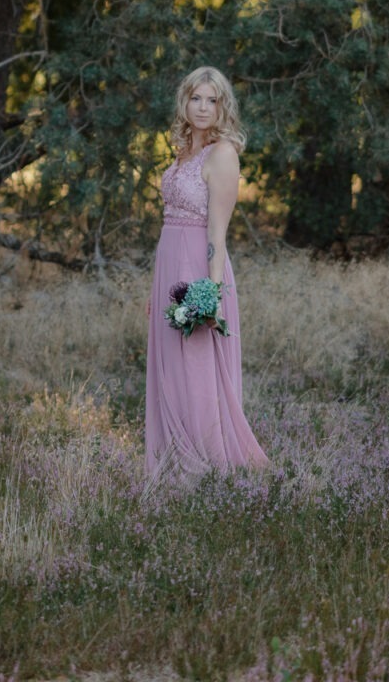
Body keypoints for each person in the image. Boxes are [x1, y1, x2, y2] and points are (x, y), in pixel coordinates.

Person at [144, 66, 268, 478]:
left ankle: (209, 468)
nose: (202, 107)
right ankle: (174, 461)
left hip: (199, 269)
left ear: (222, 107)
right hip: (168, 266)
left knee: (197, 369)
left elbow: (217, 233)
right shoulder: (183, 152)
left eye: (211, 100)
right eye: (196, 98)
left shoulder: (223, 153)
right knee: (172, 370)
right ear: (185, 101)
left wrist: (209, 296)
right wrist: (155, 287)